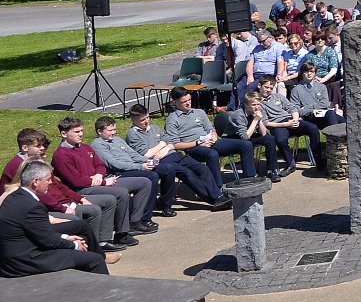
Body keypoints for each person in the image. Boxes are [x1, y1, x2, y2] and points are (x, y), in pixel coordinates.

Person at [50, 117, 155, 245]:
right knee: (121, 192)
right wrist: (103, 182)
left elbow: (100, 164)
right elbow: (76, 181)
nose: (81, 134)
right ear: (64, 134)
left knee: (144, 183)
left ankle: (135, 222)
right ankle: (121, 233)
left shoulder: (85, 147)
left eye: (81, 131)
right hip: (83, 189)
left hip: (100, 181)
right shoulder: (61, 155)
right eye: (76, 132)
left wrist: (100, 175)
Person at [0, 161, 111, 277]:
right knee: (95, 260)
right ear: (36, 182)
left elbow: (38, 232)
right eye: (47, 179)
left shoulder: (15, 196)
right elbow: (48, 241)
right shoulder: (33, 206)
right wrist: (75, 245)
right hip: (24, 261)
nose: (51, 182)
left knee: (81, 230)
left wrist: (66, 237)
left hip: (14, 254)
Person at [123, 105, 228, 212]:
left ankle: (218, 195)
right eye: (142, 120)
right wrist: (163, 145)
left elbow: (171, 143)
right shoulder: (133, 134)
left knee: (202, 169)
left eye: (147, 117)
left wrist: (164, 147)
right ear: (133, 120)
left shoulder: (154, 128)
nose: (146, 121)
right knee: (187, 173)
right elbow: (147, 154)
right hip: (160, 161)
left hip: (174, 155)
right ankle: (214, 199)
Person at [164, 86, 256, 183]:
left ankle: (250, 179)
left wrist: (213, 136)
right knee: (212, 154)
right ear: (175, 102)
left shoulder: (199, 112)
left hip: (211, 141)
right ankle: (217, 187)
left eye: (189, 100)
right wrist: (198, 143)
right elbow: (175, 145)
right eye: (184, 102)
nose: (188, 103)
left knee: (246, 144)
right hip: (193, 147)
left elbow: (211, 129)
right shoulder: (172, 119)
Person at [256, 75, 326, 175]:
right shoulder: (257, 103)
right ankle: (290, 164)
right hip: (277, 125)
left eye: (271, 88)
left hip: (291, 120)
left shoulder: (278, 97)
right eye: (266, 87)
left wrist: (295, 120)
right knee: (280, 140)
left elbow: (292, 108)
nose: (268, 90)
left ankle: (319, 159)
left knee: (313, 128)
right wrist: (285, 124)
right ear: (259, 86)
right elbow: (266, 123)